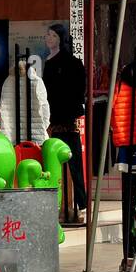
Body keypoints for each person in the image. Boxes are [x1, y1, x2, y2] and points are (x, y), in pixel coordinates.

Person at [42, 23, 87, 223]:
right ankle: (69, 206)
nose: (48, 38)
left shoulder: (69, 63)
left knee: (71, 166)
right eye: (47, 35)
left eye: (52, 35)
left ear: (60, 38)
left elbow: (78, 90)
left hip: (64, 120)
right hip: (59, 119)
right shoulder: (52, 62)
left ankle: (79, 205)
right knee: (63, 167)